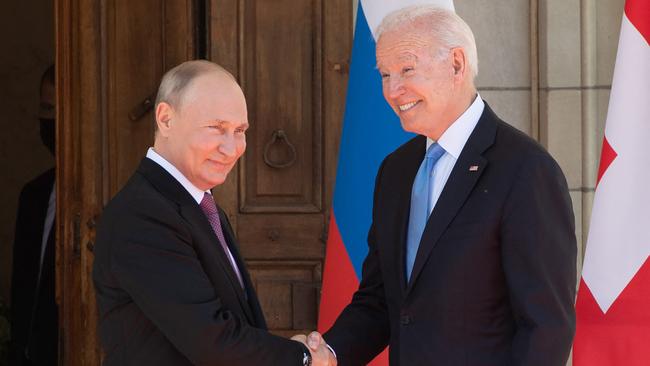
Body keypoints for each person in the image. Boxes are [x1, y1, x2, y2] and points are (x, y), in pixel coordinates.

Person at [315, 6, 577, 365]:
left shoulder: (526, 170)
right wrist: (327, 353)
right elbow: (382, 299)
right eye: (385, 74)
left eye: (407, 69)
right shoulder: (395, 170)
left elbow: (545, 327)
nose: (393, 90)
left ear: (456, 64)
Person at [92, 60, 333, 366]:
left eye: (240, 130)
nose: (231, 148)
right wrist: (303, 358)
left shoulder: (200, 205)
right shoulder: (143, 215)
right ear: (166, 119)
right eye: (216, 129)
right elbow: (211, 341)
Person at [10, 64, 58, 366]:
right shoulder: (34, 196)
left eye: (57, 109)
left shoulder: (113, 200)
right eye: (45, 108)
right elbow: (23, 286)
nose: (50, 119)